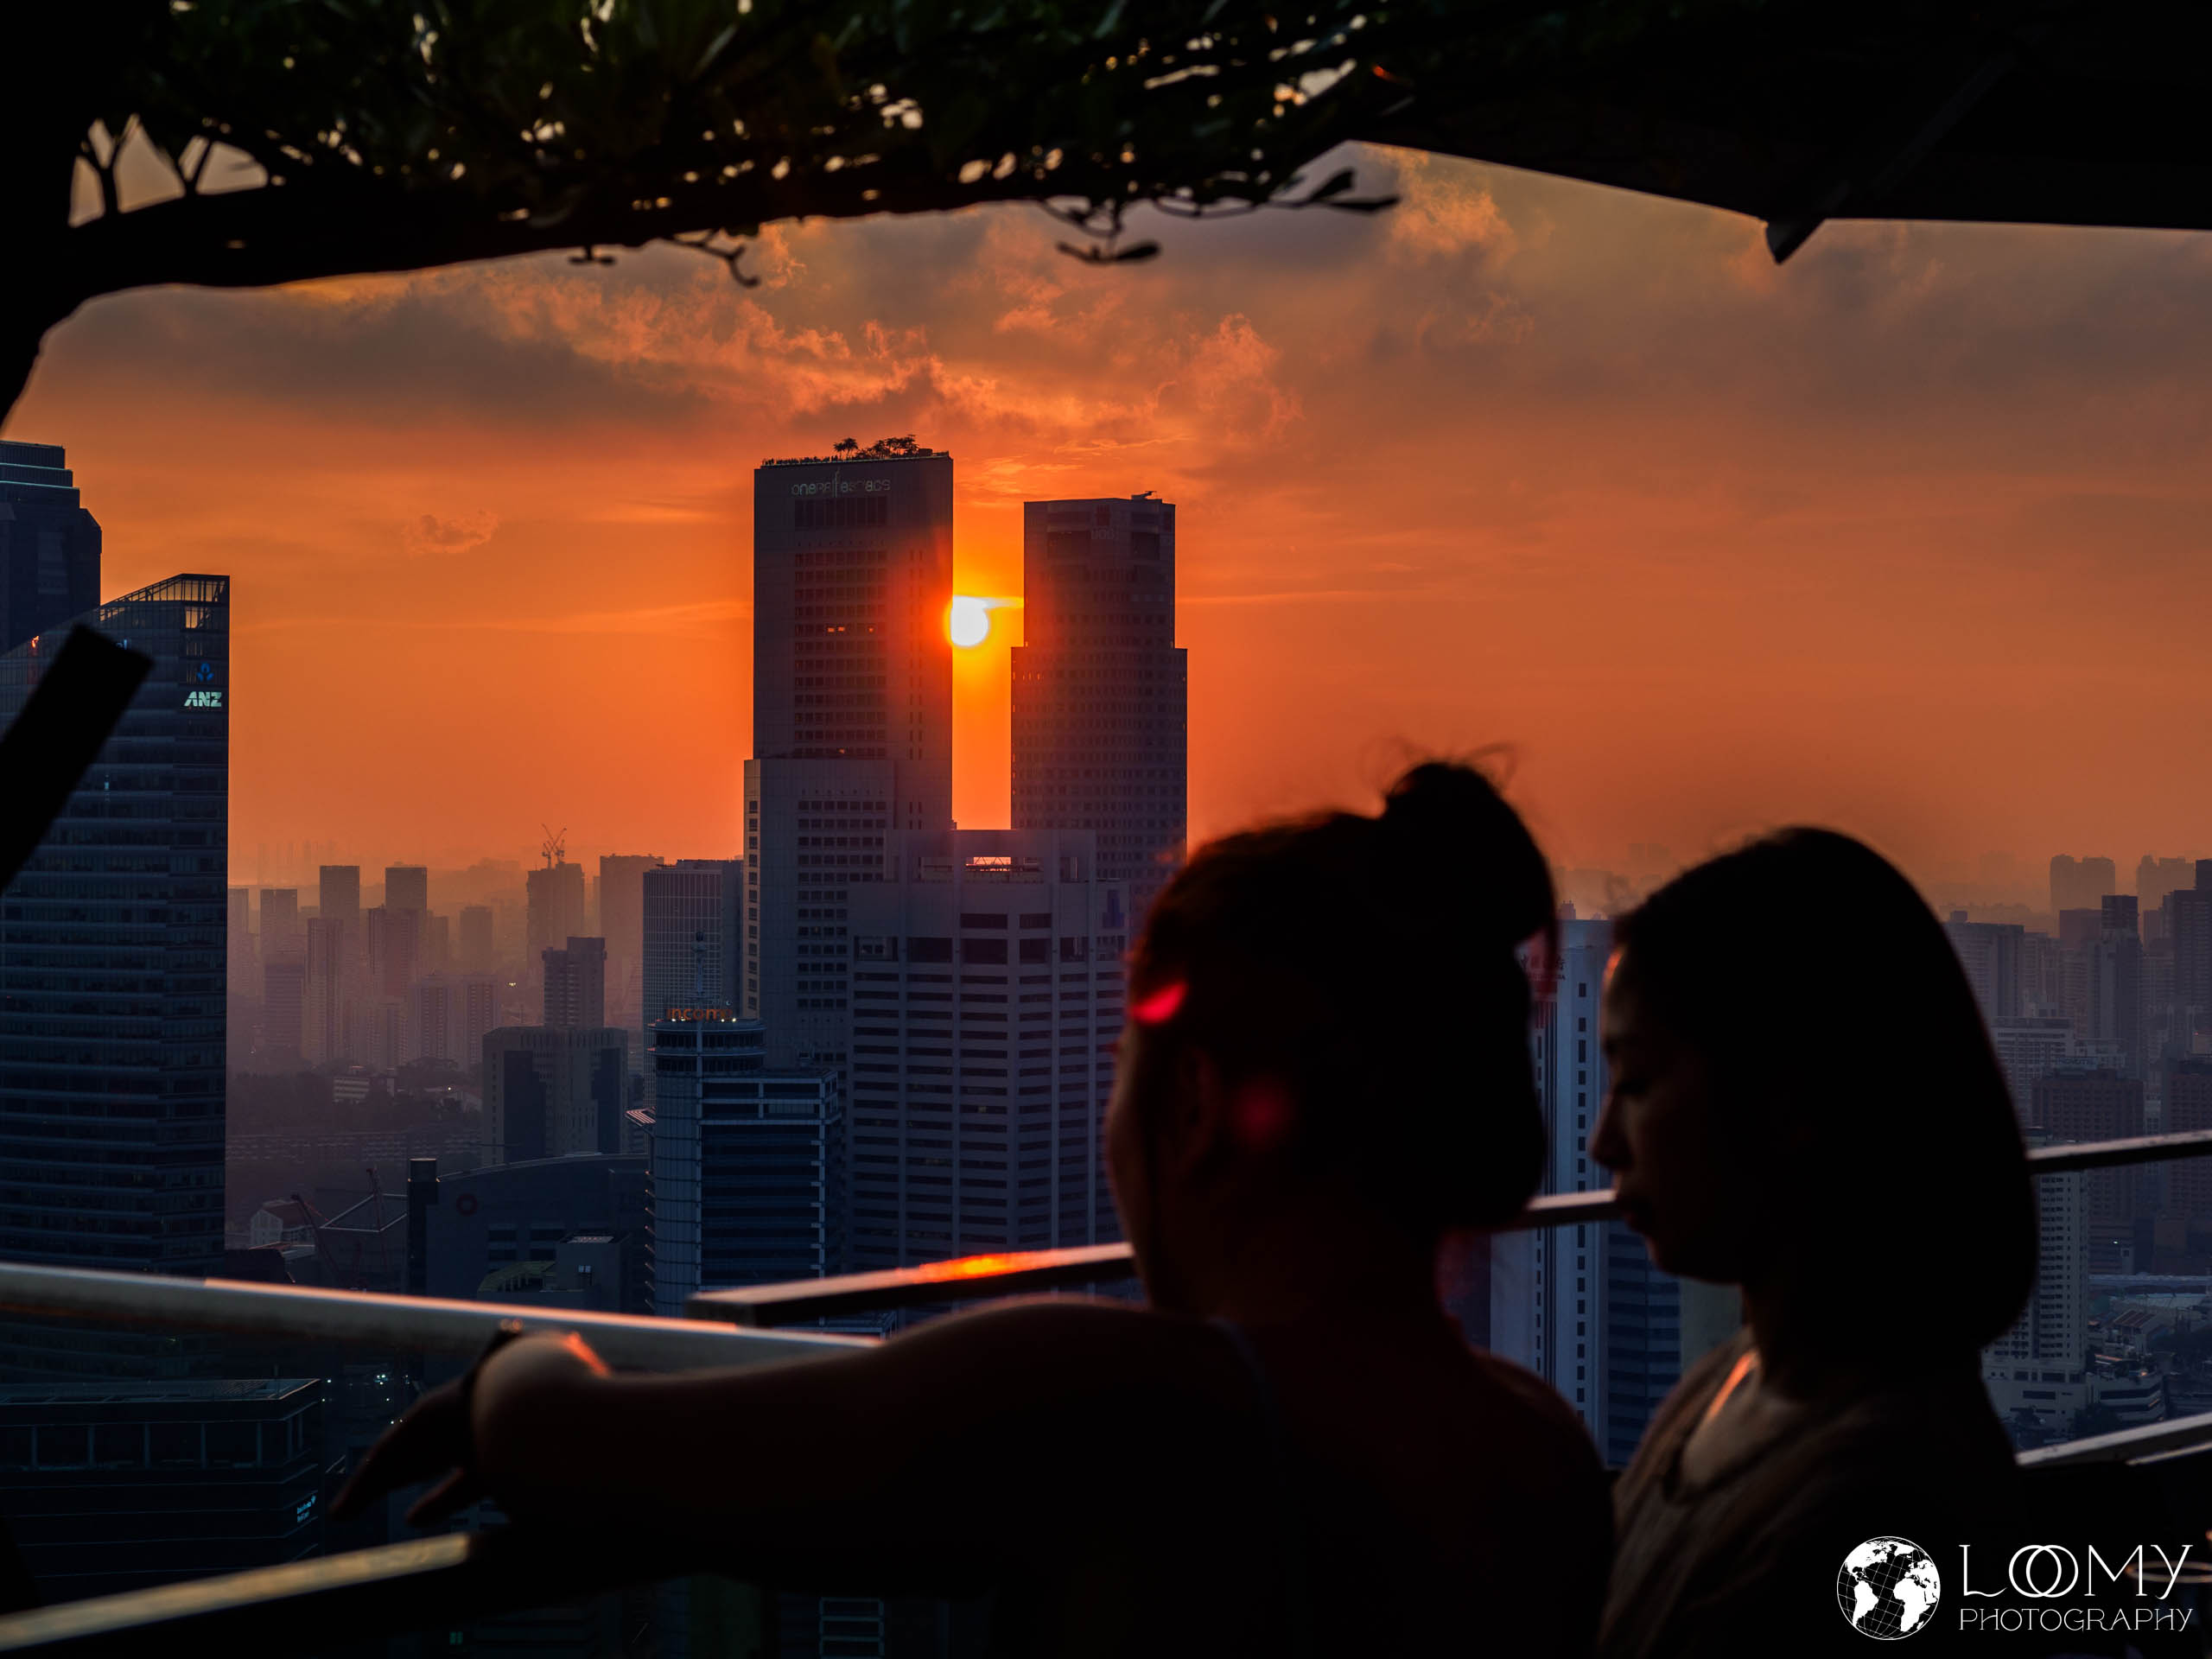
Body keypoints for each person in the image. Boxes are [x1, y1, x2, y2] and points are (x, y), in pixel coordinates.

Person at [337, 761, 1612, 1655]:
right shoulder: (1543, 1448)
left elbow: (586, 1448)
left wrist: (523, 1367)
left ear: (1195, 1107)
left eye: (1121, 1072)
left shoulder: (1123, 1400)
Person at [1591, 830, 2037, 1657]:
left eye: (1639, 1081)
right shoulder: (1727, 1388)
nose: (1603, 1143)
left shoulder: (1881, 1509)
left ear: (1787, 1100)